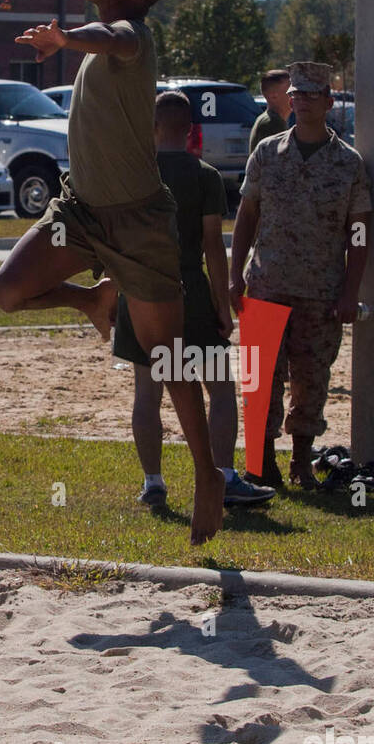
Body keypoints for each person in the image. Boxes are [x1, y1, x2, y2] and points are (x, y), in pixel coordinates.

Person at [0, 0, 226, 545]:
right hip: (81, 210)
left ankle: (207, 475)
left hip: (139, 223)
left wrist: (66, 40)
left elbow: (116, 36)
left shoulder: (134, 39)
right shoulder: (117, 10)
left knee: (168, 357)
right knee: (8, 292)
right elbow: (112, 4)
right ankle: (95, 299)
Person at [113, 91, 274, 510]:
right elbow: (212, 247)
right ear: (190, 129)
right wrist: (223, 305)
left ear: (153, 127)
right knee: (219, 390)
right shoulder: (204, 175)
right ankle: (223, 477)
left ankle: (153, 482)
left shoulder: (134, 175)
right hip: (191, 291)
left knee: (147, 392)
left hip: (141, 291)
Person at [230, 61, 371, 488]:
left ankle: (301, 462)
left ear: (329, 102)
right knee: (260, 380)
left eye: (313, 94)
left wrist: (350, 291)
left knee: (312, 378)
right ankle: (261, 464)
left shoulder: (348, 164)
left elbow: (359, 232)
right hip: (268, 283)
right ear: (288, 100)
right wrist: (235, 276)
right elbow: (246, 215)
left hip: (320, 292)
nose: (304, 101)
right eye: (297, 94)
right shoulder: (267, 153)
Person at [249, 69, 293, 154]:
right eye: (291, 92)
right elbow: (277, 163)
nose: (297, 95)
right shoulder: (272, 123)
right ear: (273, 96)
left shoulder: (272, 120)